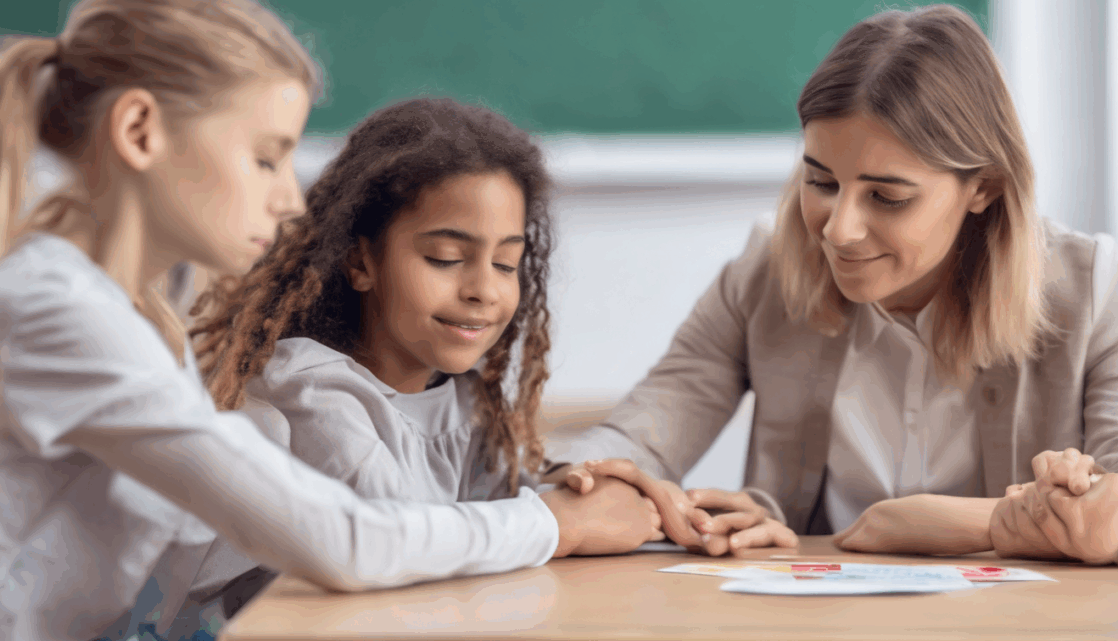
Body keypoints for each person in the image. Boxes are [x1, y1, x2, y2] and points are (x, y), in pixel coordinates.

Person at [0, 3, 689, 640]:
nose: (288, 201)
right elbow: (346, 540)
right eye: (265, 157)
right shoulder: (57, 311)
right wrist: (553, 522)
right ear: (139, 130)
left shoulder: (132, 314)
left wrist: (594, 498)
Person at [551, 3, 1118, 565]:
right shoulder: (767, 269)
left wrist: (959, 525)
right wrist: (599, 483)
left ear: (982, 188)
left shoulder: (1087, 291)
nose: (839, 230)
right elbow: (643, 435)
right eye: (822, 182)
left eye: (887, 196)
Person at [176, 97, 677, 627]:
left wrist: (589, 490)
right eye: (445, 259)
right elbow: (406, 541)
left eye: (507, 262)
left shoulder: (460, 395)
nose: (484, 289)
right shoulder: (307, 390)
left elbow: (493, 525)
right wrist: (562, 521)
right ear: (361, 261)